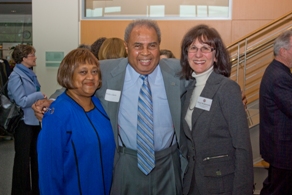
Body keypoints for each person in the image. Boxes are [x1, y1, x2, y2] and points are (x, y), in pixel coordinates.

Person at [32, 20, 247, 195]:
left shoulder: (177, 70)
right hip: (126, 163)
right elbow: (76, 84)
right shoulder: (106, 71)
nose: (145, 52)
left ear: (159, 46)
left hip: (168, 163)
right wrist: (50, 101)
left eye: (152, 45)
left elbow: (207, 79)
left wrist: (232, 95)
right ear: (127, 47)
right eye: (138, 45)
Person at [180, 24, 253, 195]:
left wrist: (242, 190)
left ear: (215, 55)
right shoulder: (189, 89)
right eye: (193, 48)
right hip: (193, 181)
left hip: (221, 184)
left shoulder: (227, 88)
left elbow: (242, 147)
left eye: (205, 48)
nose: (198, 54)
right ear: (187, 54)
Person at [37, 48, 115, 195]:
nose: (90, 77)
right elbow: (49, 172)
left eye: (94, 71)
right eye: (83, 72)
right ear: (68, 75)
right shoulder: (58, 114)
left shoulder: (100, 106)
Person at [8, 44, 46, 195]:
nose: (35, 57)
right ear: (24, 58)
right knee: (22, 161)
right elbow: (21, 101)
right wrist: (39, 95)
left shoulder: (29, 73)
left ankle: (37, 190)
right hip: (23, 123)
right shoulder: (15, 76)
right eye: (32, 55)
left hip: (34, 122)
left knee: (36, 157)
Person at [259, 29, 292, 195]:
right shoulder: (280, 76)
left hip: (278, 145)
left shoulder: (277, 70)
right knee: (279, 189)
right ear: (283, 51)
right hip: (283, 148)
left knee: (273, 186)